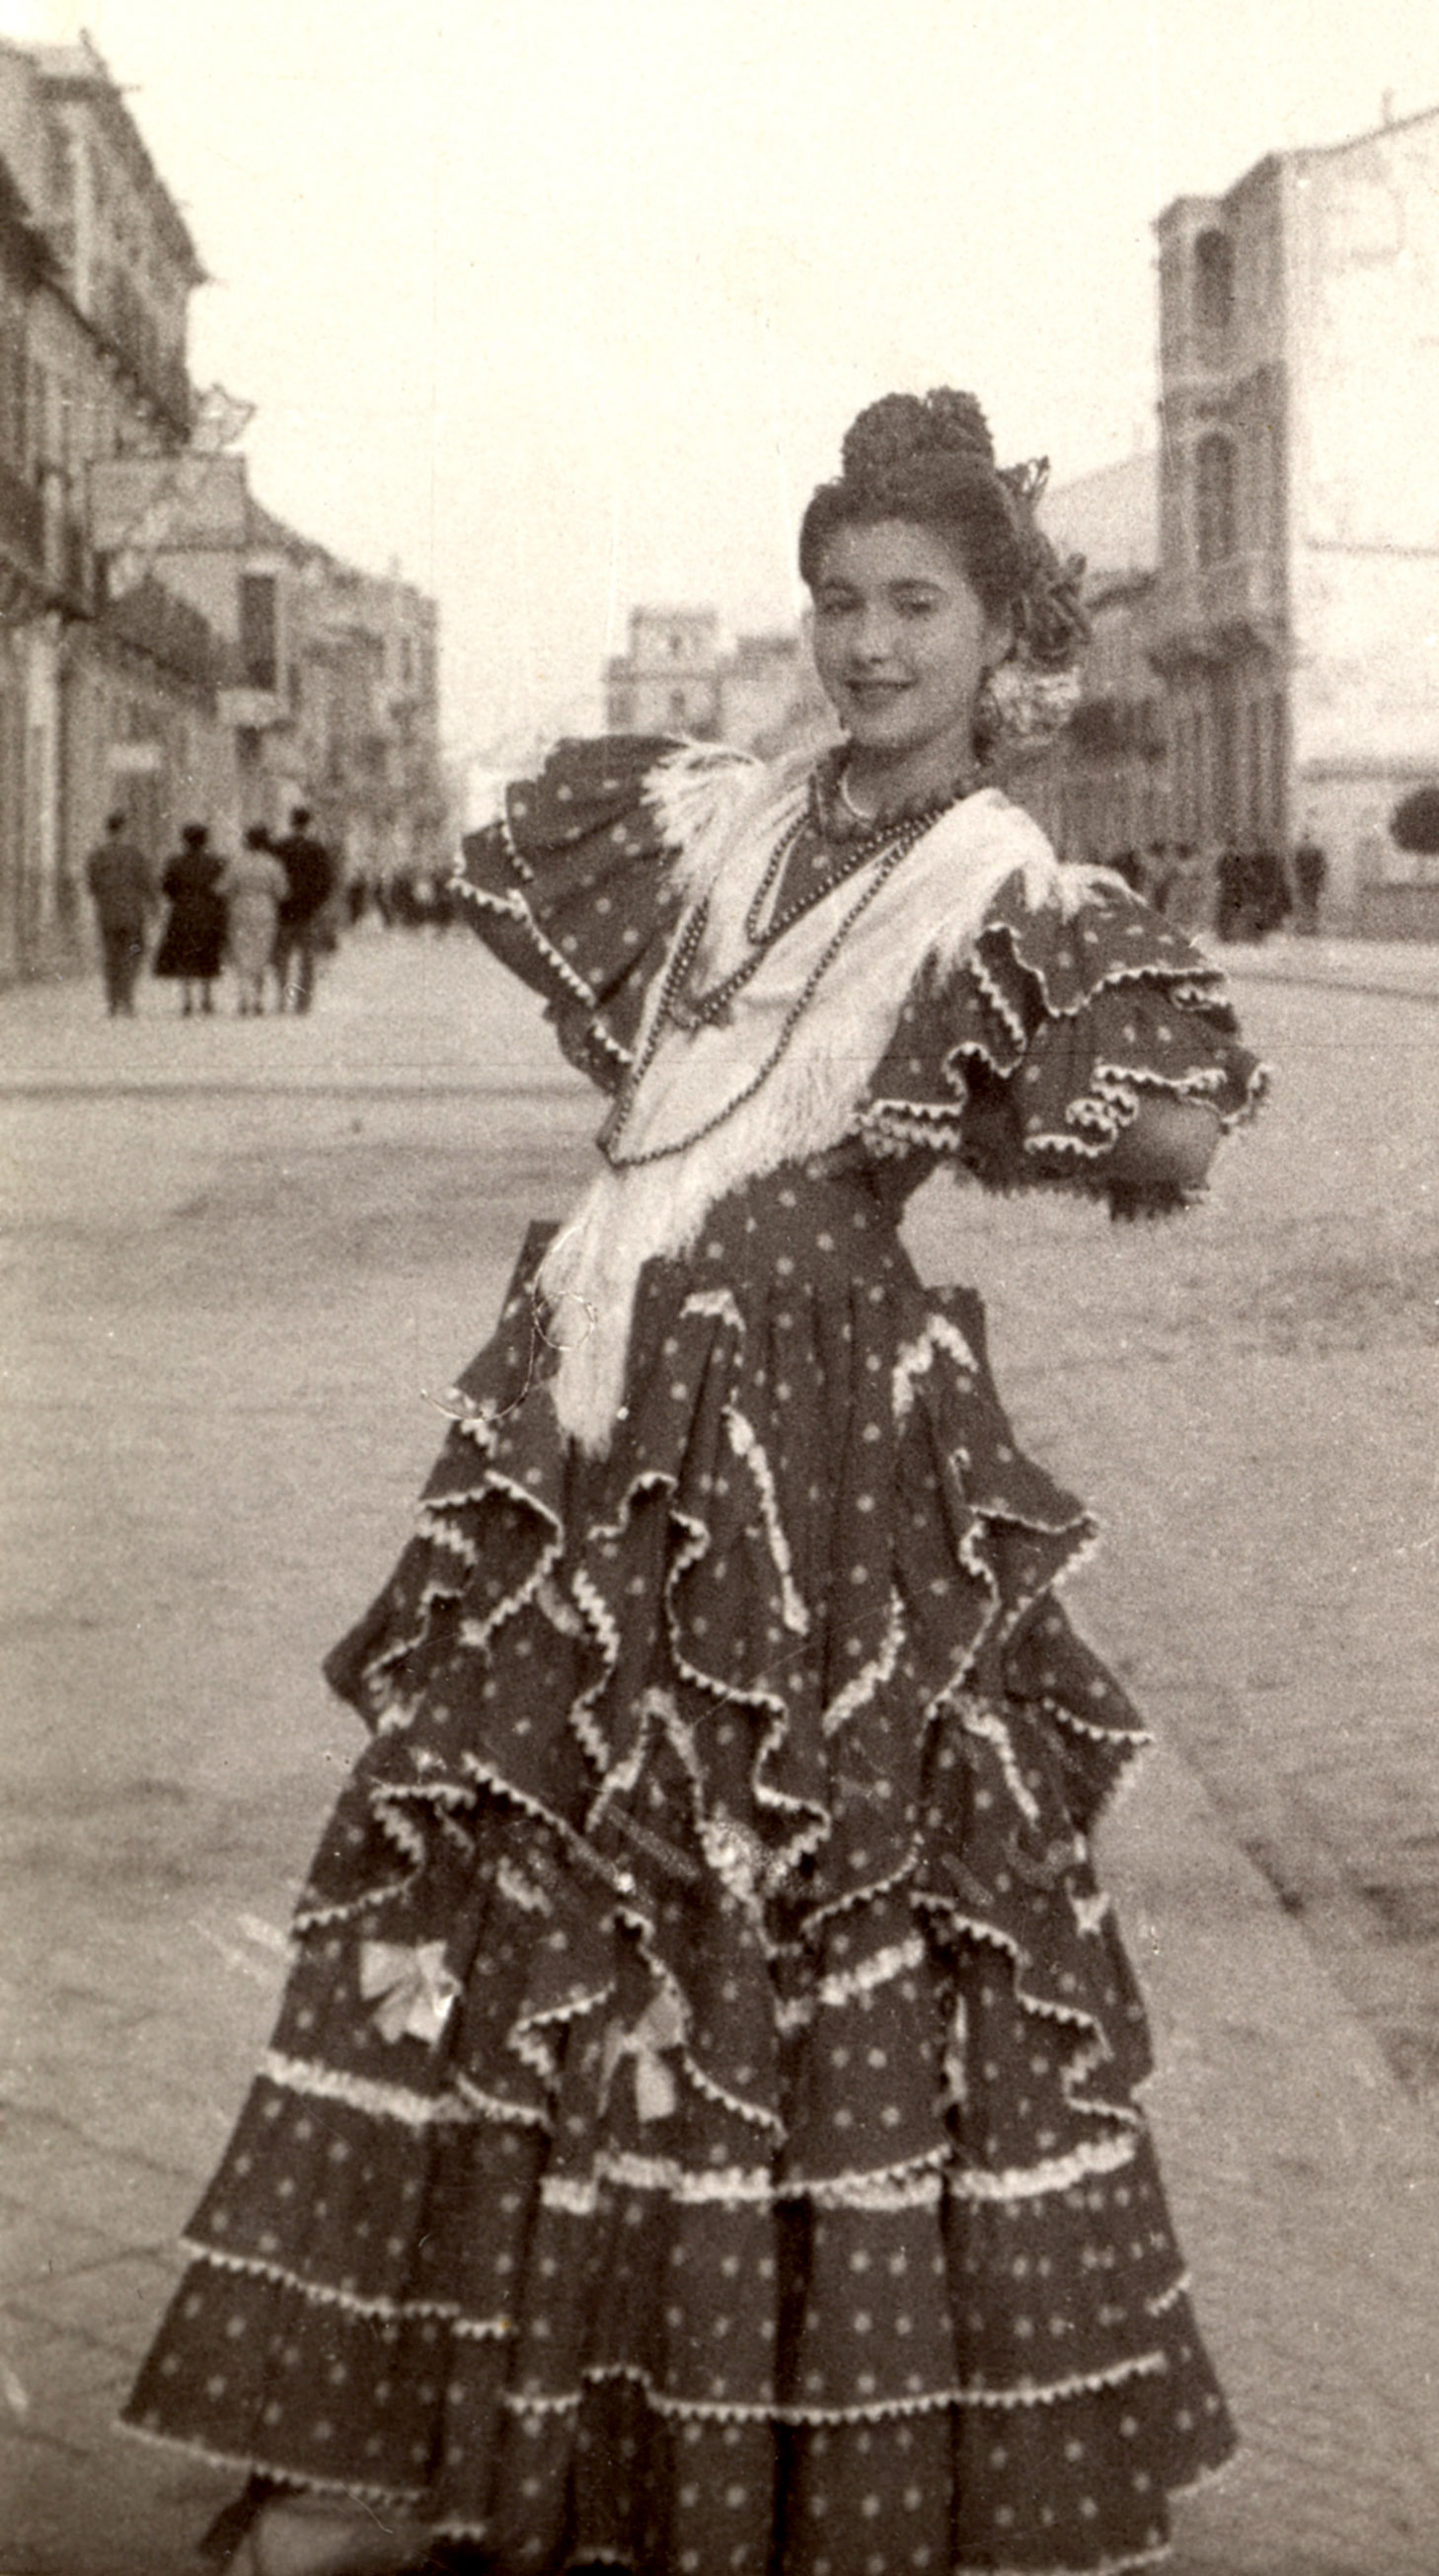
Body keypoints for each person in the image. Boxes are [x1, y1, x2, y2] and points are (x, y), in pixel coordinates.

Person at [124, 388, 1262, 2576]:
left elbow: (1169, 1130)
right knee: (517, 1869)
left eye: (911, 604)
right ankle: (414, 2440)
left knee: (767, 1890)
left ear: (1001, 631)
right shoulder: (723, 814)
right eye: (835, 600)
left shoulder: (1007, 879)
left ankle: (778, 2450)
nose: (864, 644)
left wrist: (984, 1090)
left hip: (800, 1447)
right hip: (589, 1398)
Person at [83, 809, 156, 1015]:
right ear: (124, 829)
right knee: (132, 953)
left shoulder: (97, 855)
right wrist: (153, 905)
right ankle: (127, 997)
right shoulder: (135, 854)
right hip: (132, 913)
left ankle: (112, 1000)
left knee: (110, 955)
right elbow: (146, 882)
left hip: (107, 913)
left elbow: (92, 885)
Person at [152, 821, 229, 1016]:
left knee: (184, 954)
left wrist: (180, 898)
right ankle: (206, 998)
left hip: (183, 912)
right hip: (209, 912)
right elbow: (222, 889)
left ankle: (187, 999)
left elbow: (167, 887)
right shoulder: (216, 862)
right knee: (207, 954)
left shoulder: (175, 862)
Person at [273, 806, 338, 1012]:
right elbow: (326, 881)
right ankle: (303, 1001)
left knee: (282, 955)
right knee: (307, 957)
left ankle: (282, 997)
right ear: (308, 824)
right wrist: (317, 903)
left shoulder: (280, 847)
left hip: (284, 910)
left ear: (291, 822)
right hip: (308, 911)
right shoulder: (316, 849)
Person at [223, 825, 291, 1015]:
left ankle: (244, 998)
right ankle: (258, 999)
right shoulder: (273, 864)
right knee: (261, 953)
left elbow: (224, 888)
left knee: (241, 953)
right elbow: (282, 892)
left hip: (240, 909)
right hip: (265, 910)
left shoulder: (237, 863)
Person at [1292, 828, 1326, 935]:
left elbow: (1296, 866)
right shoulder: (1316, 850)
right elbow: (1322, 866)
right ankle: (1311, 926)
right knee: (1312, 903)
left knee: (1304, 902)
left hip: (1304, 880)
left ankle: (1303, 925)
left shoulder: (1300, 850)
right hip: (1313, 880)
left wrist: (1297, 877)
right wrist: (1321, 880)